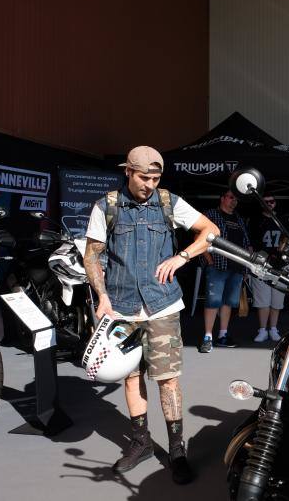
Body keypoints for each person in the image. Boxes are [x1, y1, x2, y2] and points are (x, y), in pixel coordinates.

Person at [83, 145, 219, 484]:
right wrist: (101, 296)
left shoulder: (168, 202)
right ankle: (141, 442)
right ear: (127, 171)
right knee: (131, 378)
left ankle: (176, 449)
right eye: (144, 177)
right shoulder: (106, 206)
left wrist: (182, 257)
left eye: (156, 178)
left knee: (168, 379)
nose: (150, 184)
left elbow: (210, 231)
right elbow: (91, 256)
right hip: (122, 308)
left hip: (163, 306)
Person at [199, 189, 251, 352]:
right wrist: (210, 261)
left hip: (237, 266)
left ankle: (223, 335)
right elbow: (199, 237)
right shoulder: (211, 215)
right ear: (222, 198)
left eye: (236, 199)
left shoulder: (239, 219)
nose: (234, 201)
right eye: (230, 197)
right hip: (218, 265)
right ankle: (208, 337)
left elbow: (247, 242)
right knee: (213, 302)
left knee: (229, 302)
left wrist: (247, 264)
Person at [250, 194, 285, 342]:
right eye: (266, 202)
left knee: (277, 299)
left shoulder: (282, 220)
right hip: (261, 263)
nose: (269, 204)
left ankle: (273, 329)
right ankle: (263, 329)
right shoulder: (255, 220)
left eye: (272, 201)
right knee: (262, 299)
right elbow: (250, 244)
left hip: (280, 265)